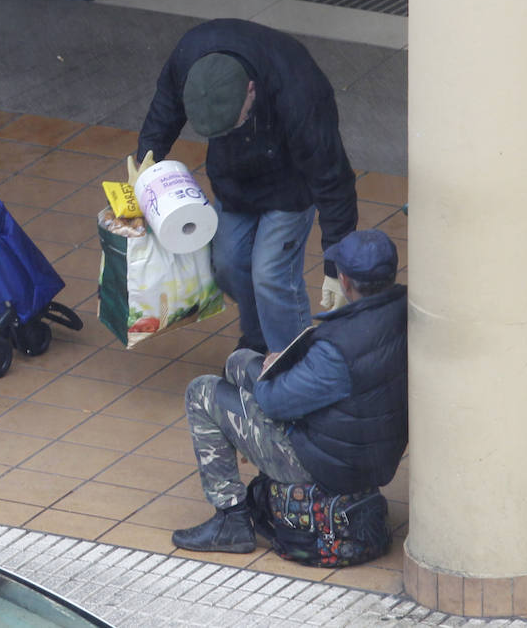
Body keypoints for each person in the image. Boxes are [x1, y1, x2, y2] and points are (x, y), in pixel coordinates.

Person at [172, 229, 407, 553]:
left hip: (328, 466)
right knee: (240, 361)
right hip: (371, 453)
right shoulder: (403, 311)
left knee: (202, 392)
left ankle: (231, 520)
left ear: (345, 281)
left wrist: (277, 369)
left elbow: (273, 403)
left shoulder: (340, 345)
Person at [132, 19, 357, 354]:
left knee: (269, 276)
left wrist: (335, 265)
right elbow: (165, 107)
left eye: (232, 123)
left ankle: (290, 365)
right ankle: (258, 342)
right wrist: (145, 165)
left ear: (251, 90)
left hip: (290, 183)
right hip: (233, 176)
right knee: (227, 265)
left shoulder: (301, 93)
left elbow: (332, 179)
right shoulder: (191, 54)